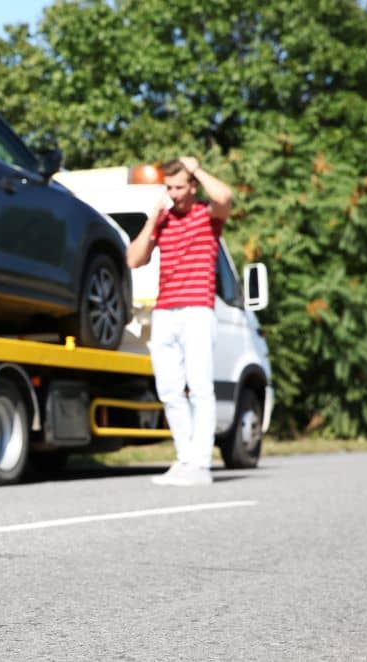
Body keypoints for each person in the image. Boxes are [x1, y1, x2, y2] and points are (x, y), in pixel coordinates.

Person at [126, 156, 233, 486]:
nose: (174, 194)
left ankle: (201, 465)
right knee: (169, 389)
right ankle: (185, 458)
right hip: (165, 311)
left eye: (179, 187)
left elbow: (225, 198)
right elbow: (133, 259)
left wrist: (197, 168)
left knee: (199, 387)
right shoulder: (164, 218)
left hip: (197, 309)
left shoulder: (207, 215)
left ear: (192, 186)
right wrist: (153, 219)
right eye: (169, 188)